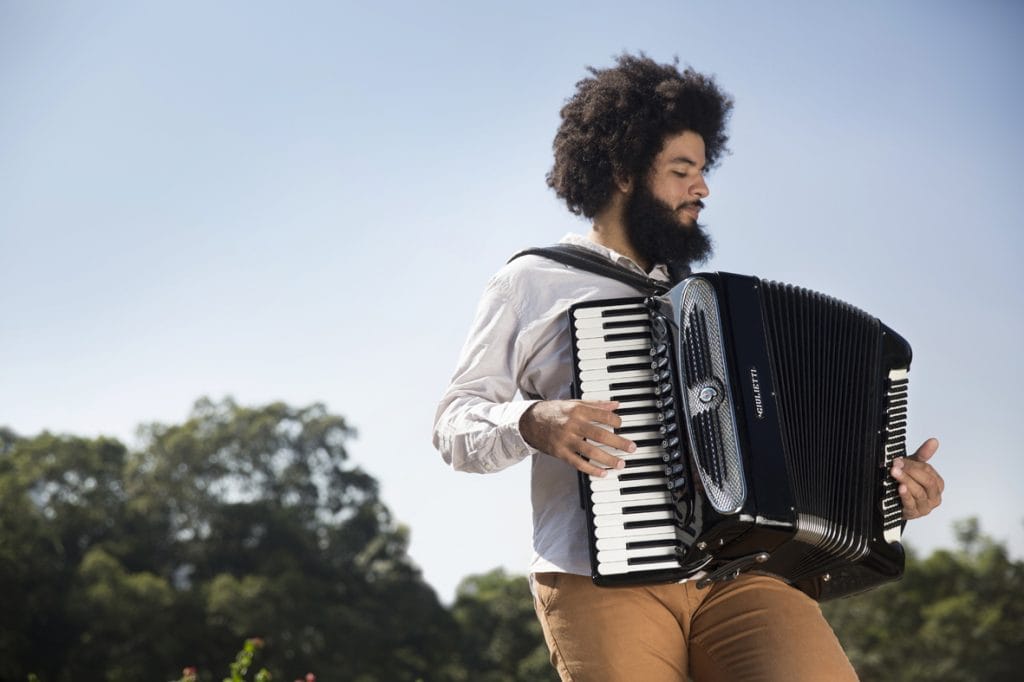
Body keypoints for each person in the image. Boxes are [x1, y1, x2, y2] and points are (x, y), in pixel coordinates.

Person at [432, 53, 944, 682]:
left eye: (702, 171)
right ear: (622, 171)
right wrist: (533, 420)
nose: (702, 189)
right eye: (682, 171)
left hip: (739, 573)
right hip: (600, 576)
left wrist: (885, 491)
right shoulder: (532, 282)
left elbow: (792, 449)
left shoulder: (711, 308)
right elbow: (454, 424)